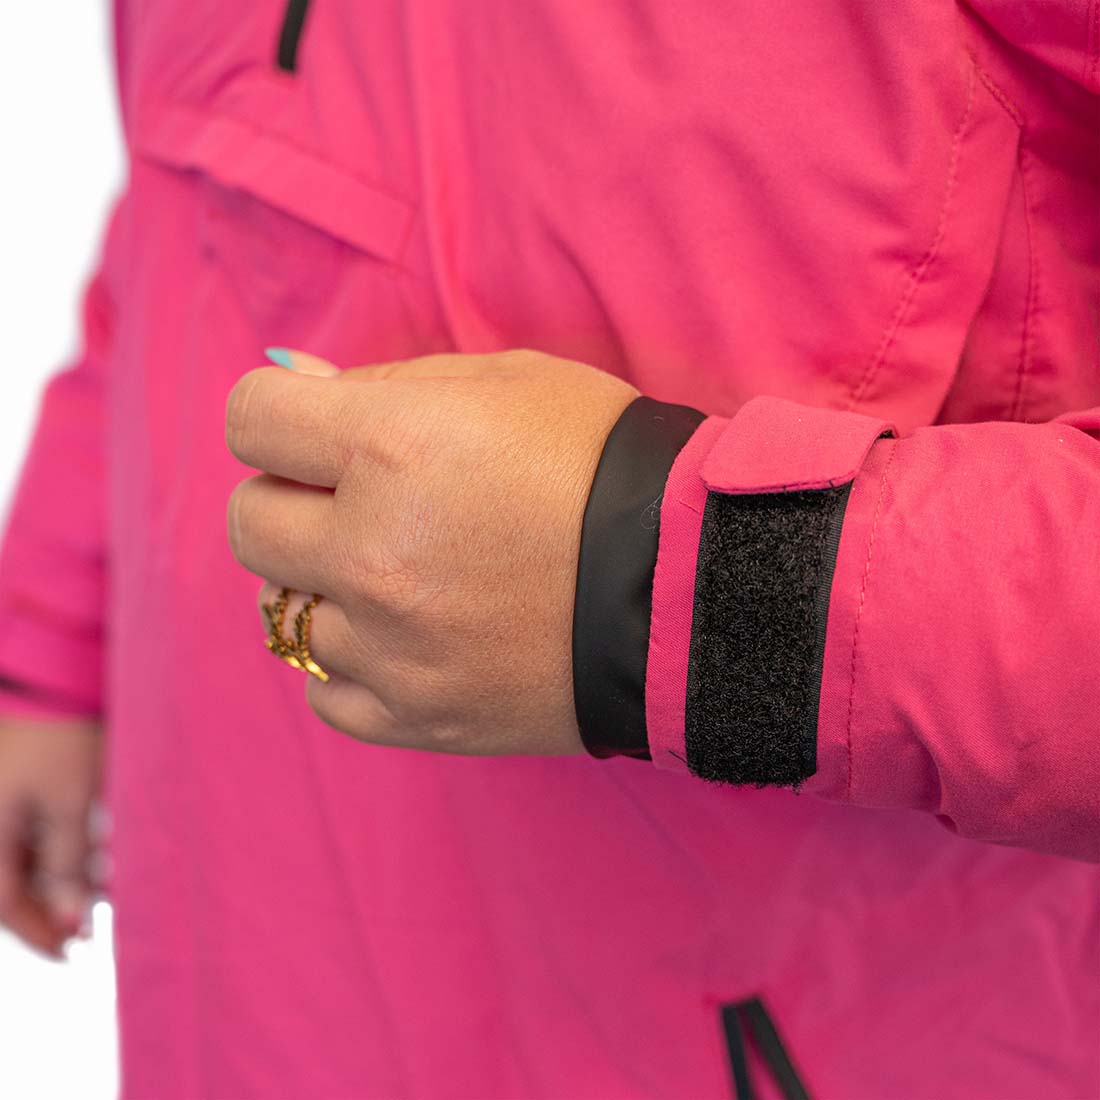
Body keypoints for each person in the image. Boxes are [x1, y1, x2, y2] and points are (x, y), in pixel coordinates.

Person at [0, 1, 1097, 1097]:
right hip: (235, 929)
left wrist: (658, 584)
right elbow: (197, 203)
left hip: (757, 1004)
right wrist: (54, 637)